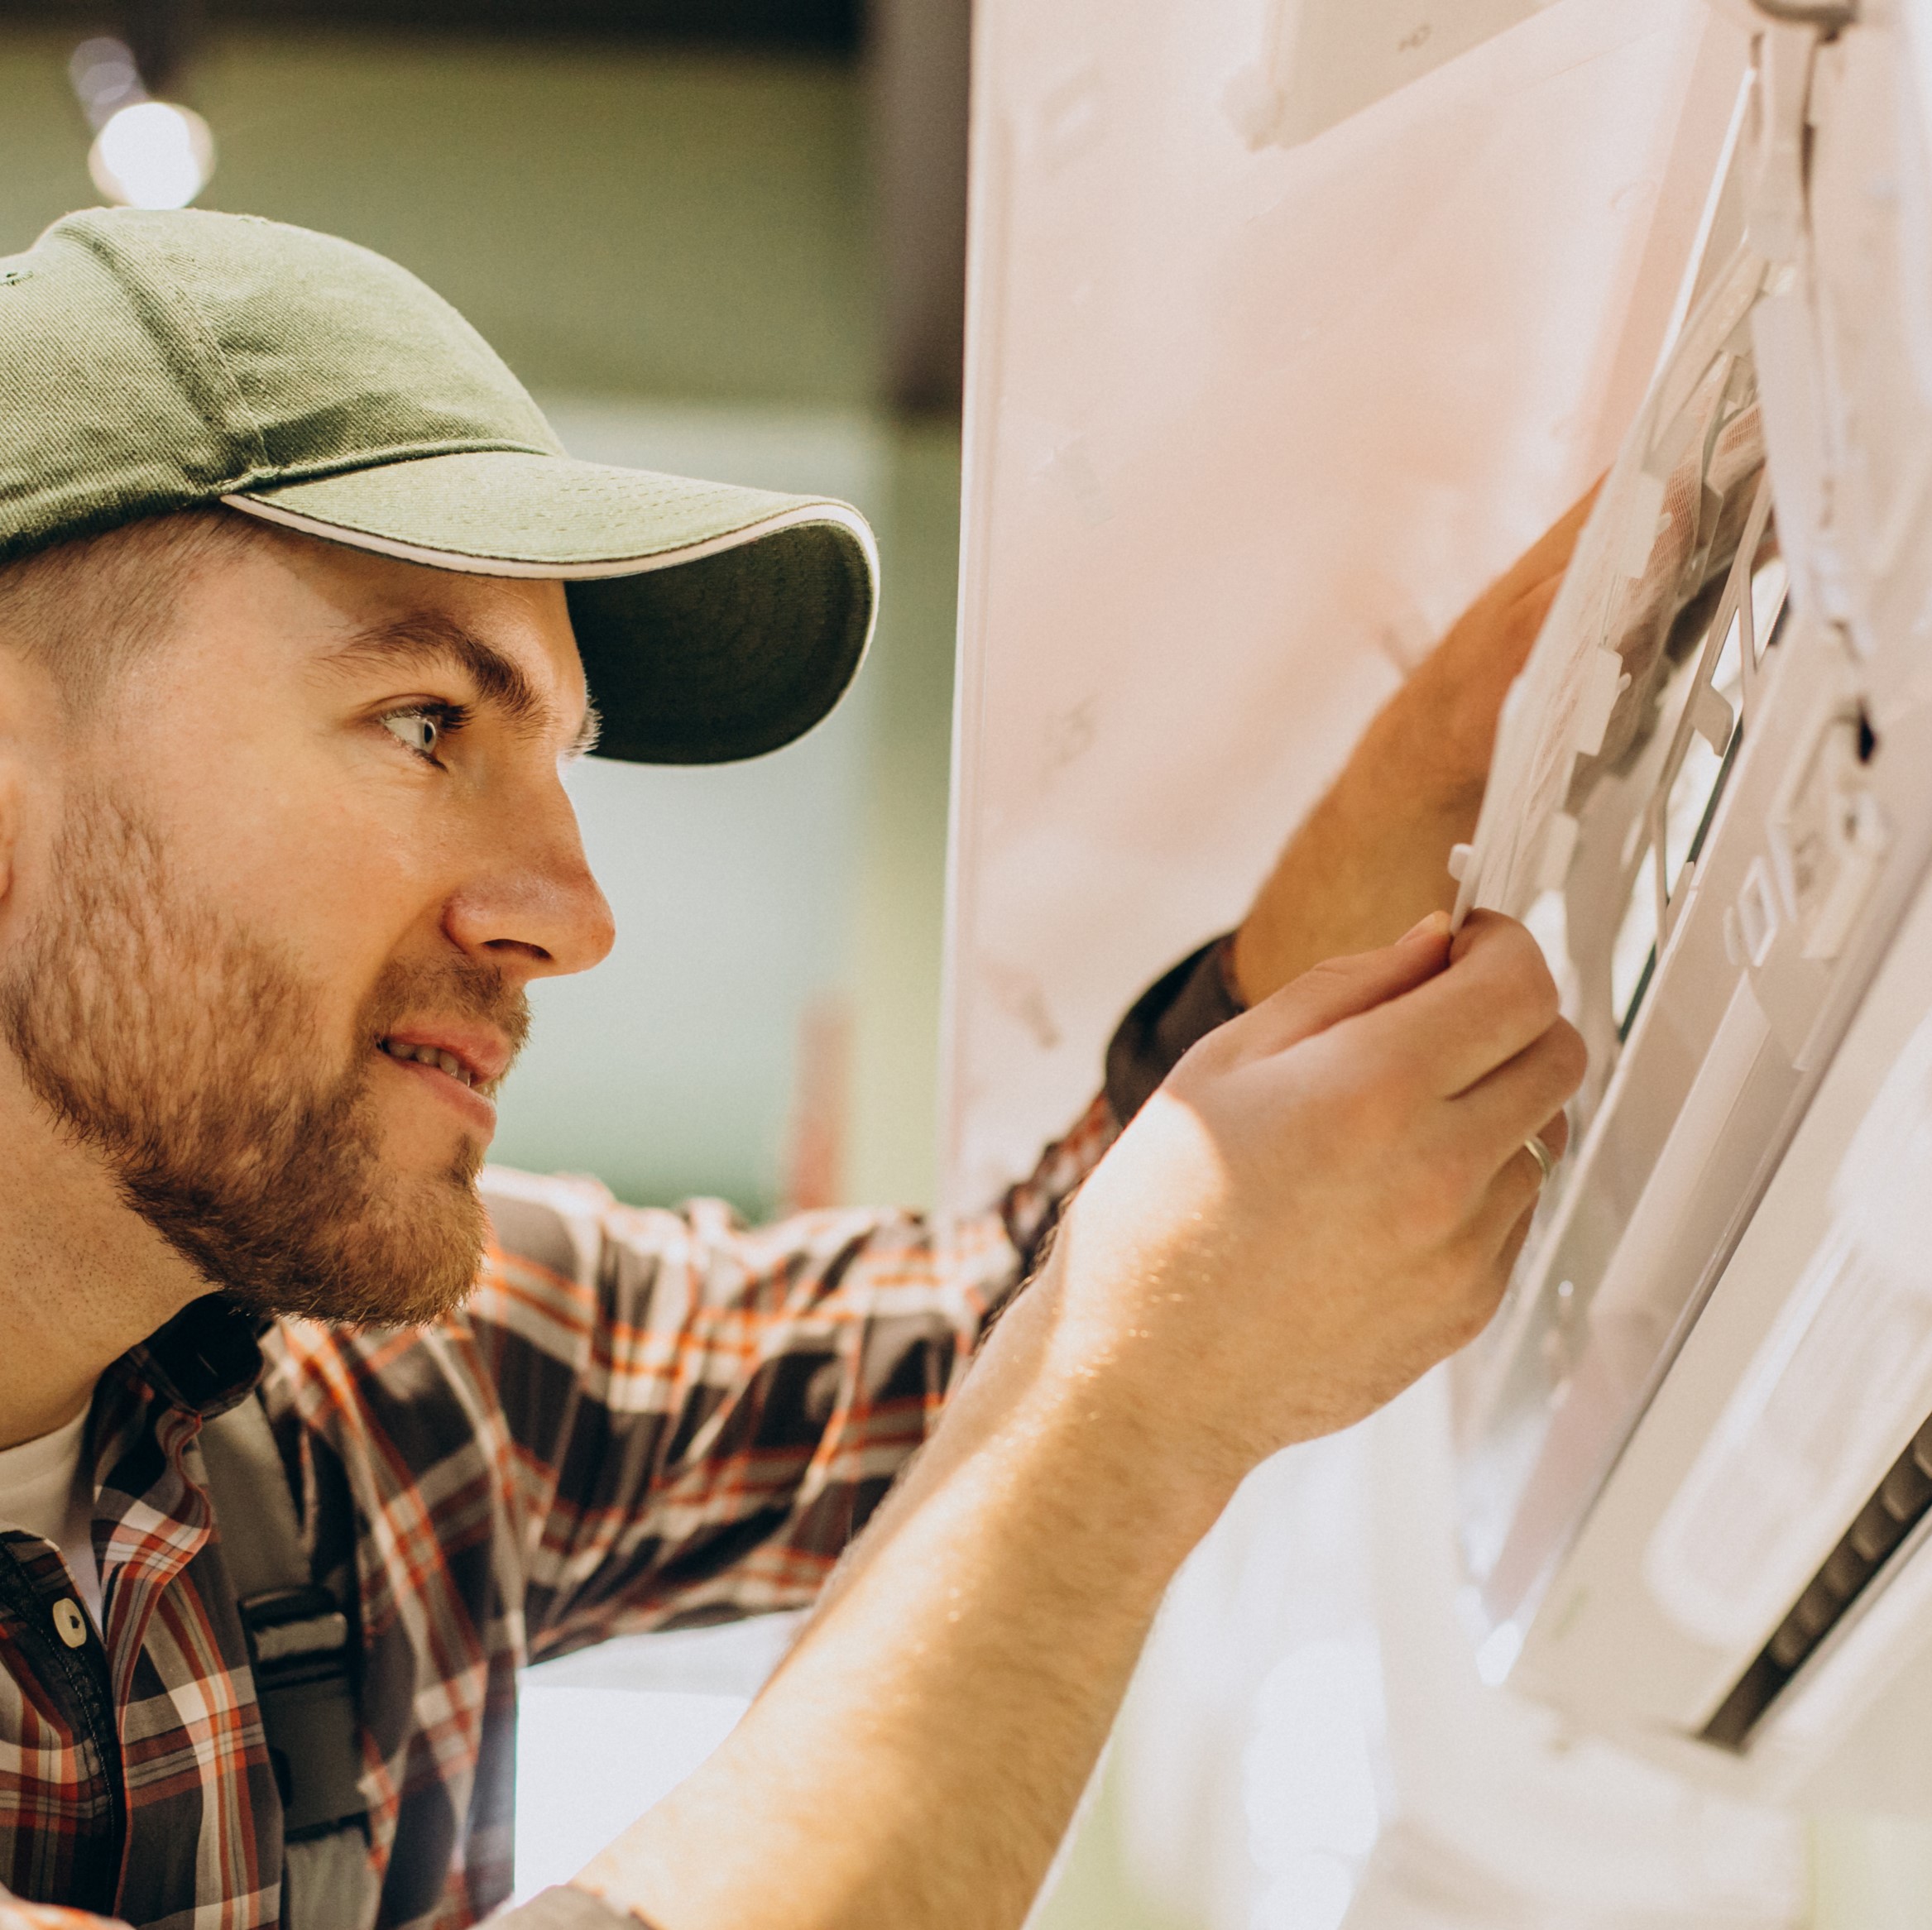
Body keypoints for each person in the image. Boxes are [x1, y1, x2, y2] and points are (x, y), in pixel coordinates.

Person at [0, 207, 1586, 1930]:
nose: (576, 917)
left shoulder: (382, 1387)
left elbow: (1011, 1318)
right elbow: (1099, 1362)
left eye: (560, 755)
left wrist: (1437, 775)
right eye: (424, 725)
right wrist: (1142, 1424)